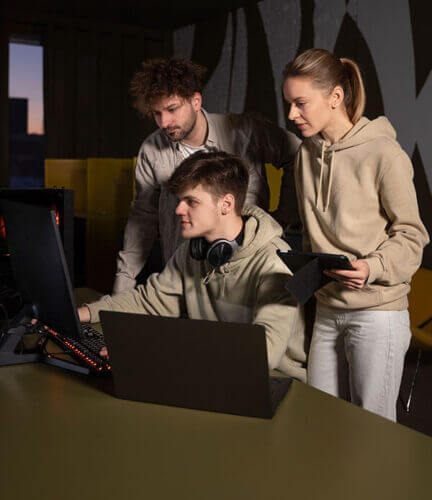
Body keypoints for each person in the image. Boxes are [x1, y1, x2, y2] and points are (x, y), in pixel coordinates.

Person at [282, 48, 429, 420]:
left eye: (300, 103)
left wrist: (372, 267)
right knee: (321, 421)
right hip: (327, 308)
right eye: (289, 104)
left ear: (335, 97)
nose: (291, 115)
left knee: (373, 429)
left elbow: (413, 236)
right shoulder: (305, 155)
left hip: (377, 313)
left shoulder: (384, 154)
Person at [79, 151, 307, 380]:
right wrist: (84, 313)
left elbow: (264, 353)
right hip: (214, 369)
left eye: (192, 202)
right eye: (181, 201)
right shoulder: (194, 251)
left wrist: (154, 350)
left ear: (226, 204)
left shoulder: (275, 262)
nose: (179, 210)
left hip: (275, 380)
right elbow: (151, 301)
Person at [113, 58, 301, 294]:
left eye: (172, 109)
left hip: (245, 278)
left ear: (196, 101)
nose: (164, 123)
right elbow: (142, 220)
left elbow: (298, 155)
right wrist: (122, 286)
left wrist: (282, 219)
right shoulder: (152, 150)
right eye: (157, 114)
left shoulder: (245, 131)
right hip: (182, 282)